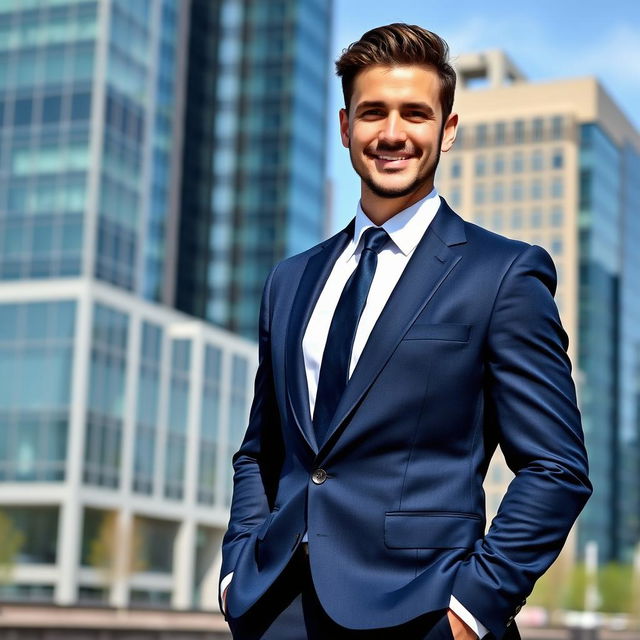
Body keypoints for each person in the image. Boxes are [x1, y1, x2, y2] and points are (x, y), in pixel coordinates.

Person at [219, 23, 592, 640]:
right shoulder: (289, 279)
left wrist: (472, 610)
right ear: (345, 127)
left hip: (422, 611)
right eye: (373, 113)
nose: (392, 133)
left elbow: (555, 467)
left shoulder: (502, 275)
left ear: (446, 129)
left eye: (415, 113)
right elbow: (261, 450)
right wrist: (237, 571)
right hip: (275, 609)